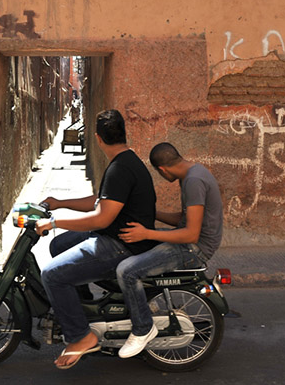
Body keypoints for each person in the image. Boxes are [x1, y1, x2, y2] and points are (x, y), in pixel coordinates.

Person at [35, 109, 157, 369]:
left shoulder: (120, 168)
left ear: (98, 139)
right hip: (115, 236)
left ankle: (81, 336)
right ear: (124, 134)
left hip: (120, 246)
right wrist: (59, 203)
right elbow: (99, 201)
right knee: (59, 245)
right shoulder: (124, 161)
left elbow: (101, 218)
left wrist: (54, 222)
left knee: (52, 275)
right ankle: (83, 309)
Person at [114, 142, 224, 359]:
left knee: (127, 270)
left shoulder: (193, 181)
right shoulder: (194, 173)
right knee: (134, 248)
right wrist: (150, 214)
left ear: (162, 170)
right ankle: (140, 306)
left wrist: (147, 233)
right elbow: (181, 220)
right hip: (189, 242)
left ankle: (142, 328)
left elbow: (190, 234)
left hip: (193, 249)